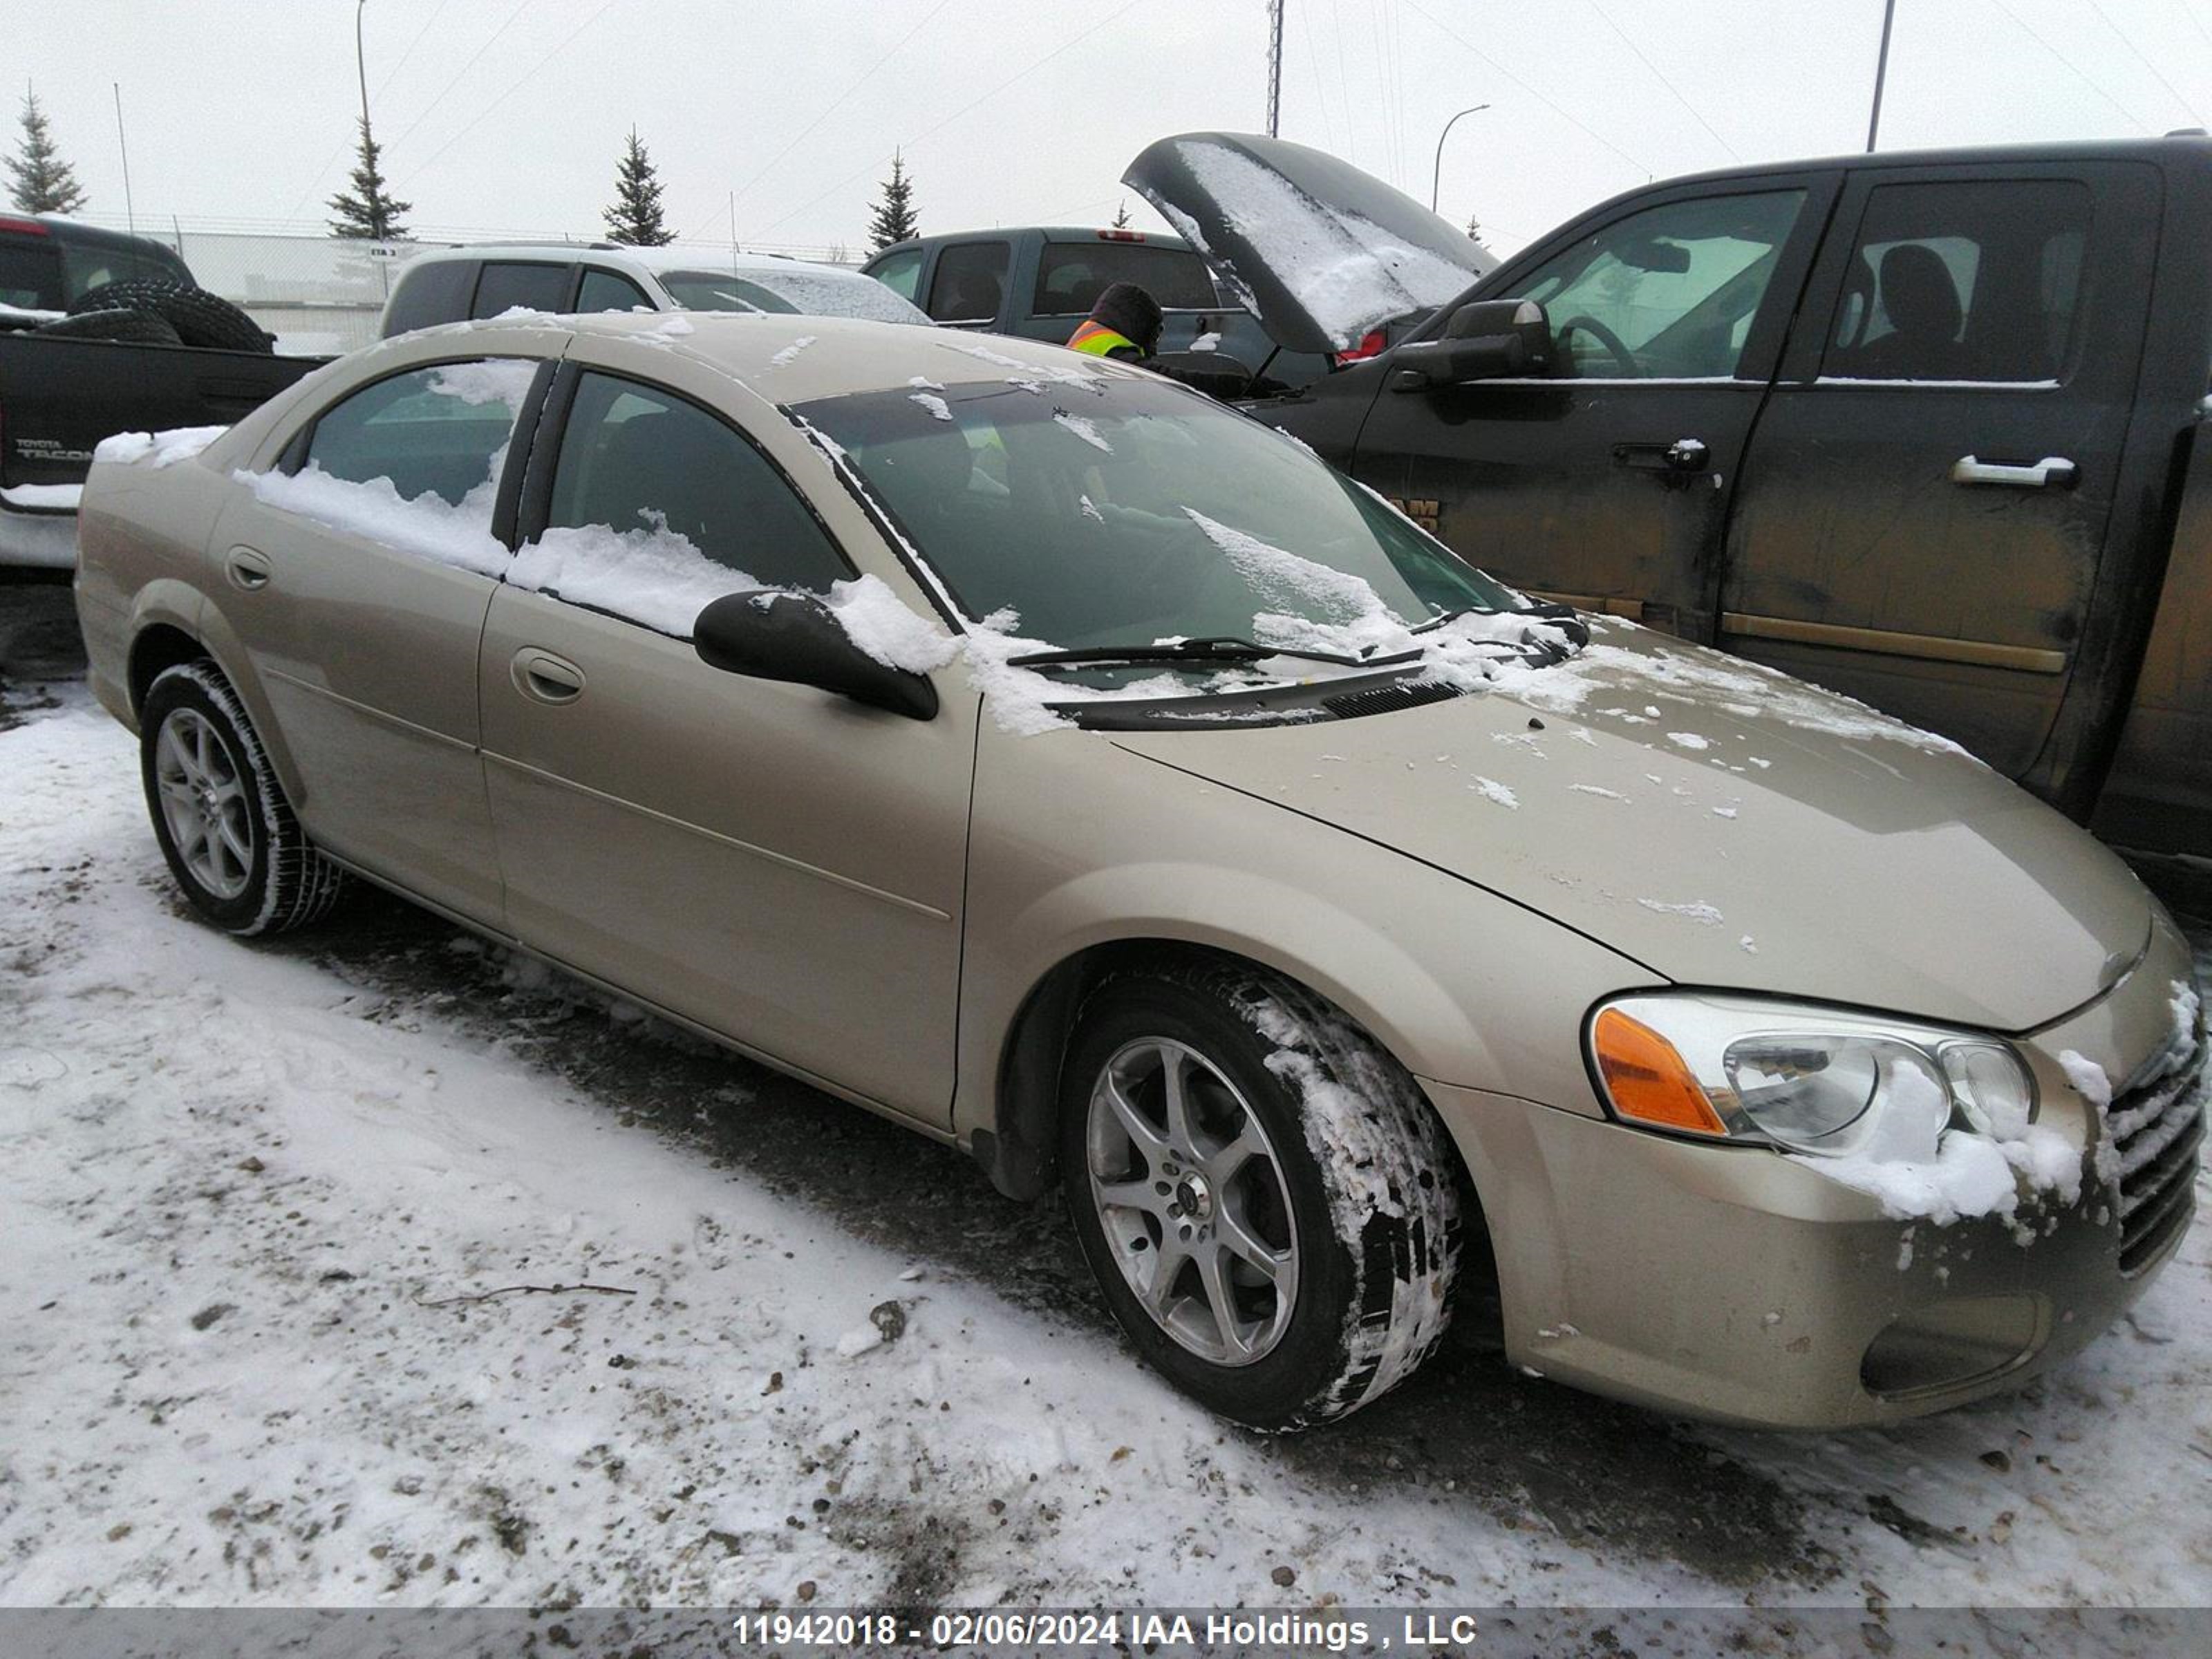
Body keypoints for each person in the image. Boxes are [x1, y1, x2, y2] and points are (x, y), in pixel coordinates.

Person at [1066, 281, 1162, 361]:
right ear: (1140, 326)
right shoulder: (1114, 349)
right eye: (1154, 338)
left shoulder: (1093, 329)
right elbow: (1150, 373)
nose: (1154, 351)